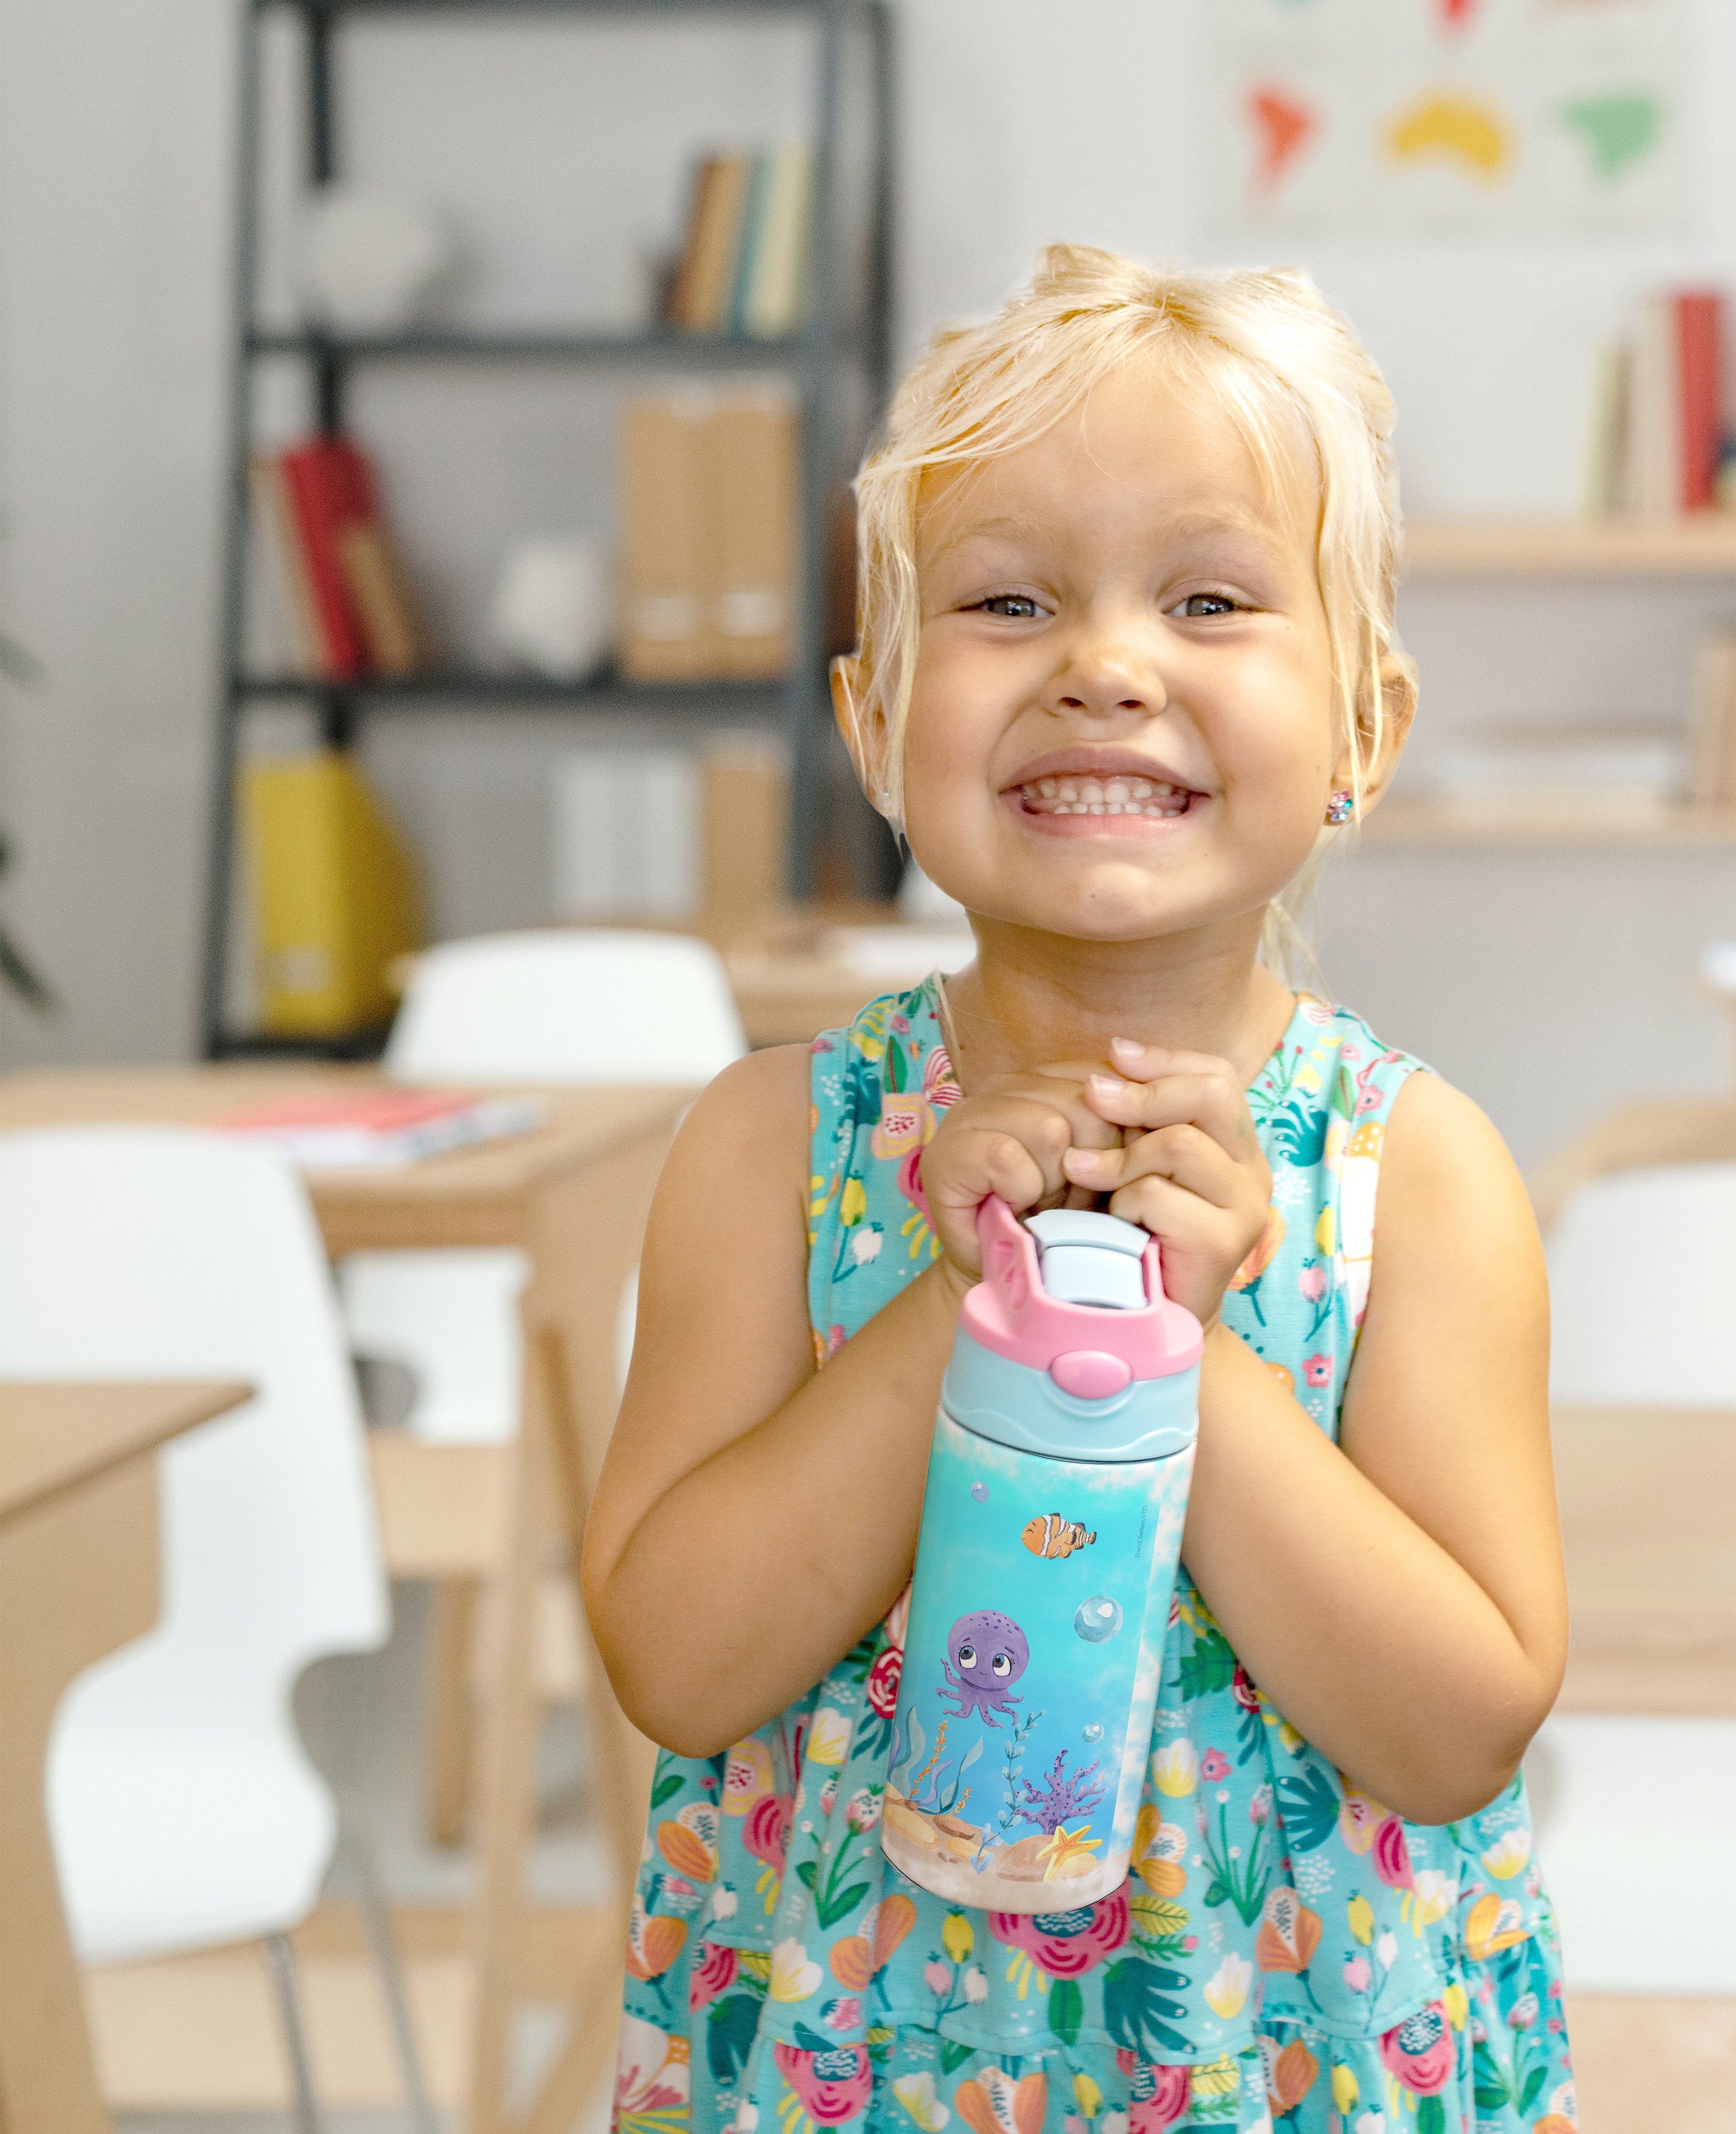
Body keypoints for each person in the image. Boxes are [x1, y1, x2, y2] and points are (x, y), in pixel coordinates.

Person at [584, 246, 1573, 2134]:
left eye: (1209, 599)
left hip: (1299, 2076)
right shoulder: (769, 1146)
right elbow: (678, 1665)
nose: (1105, 665)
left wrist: (1187, 1354)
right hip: (847, 2076)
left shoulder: (1414, 1176)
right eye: (1009, 600)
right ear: (876, 725)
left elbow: (1455, 1729)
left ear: (1365, 724)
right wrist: (965, 1313)